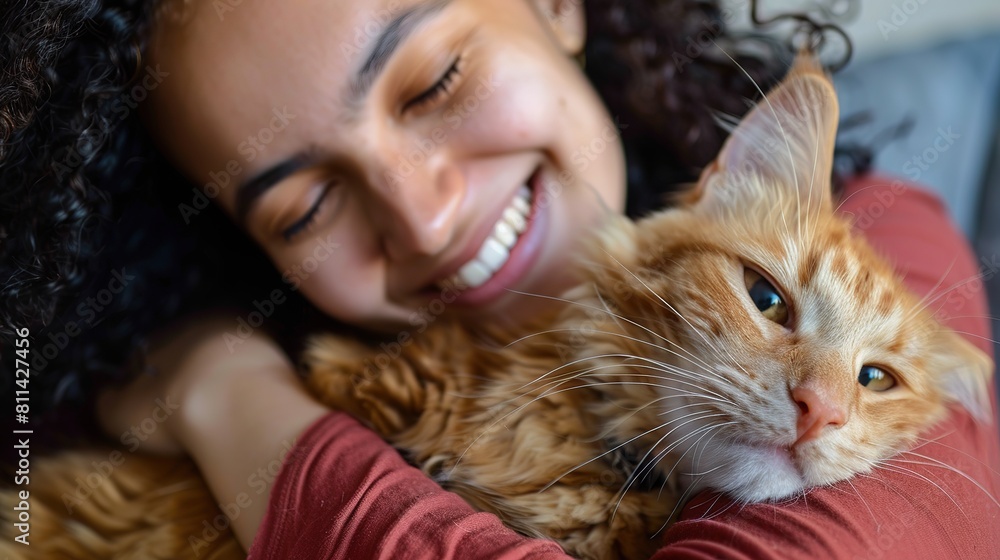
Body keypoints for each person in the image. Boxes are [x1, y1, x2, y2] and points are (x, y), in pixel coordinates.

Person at [2, 0, 997, 558]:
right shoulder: (71, 380)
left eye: (435, 80)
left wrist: (223, 396)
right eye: (304, 205)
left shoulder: (887, 238)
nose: (426, 214)